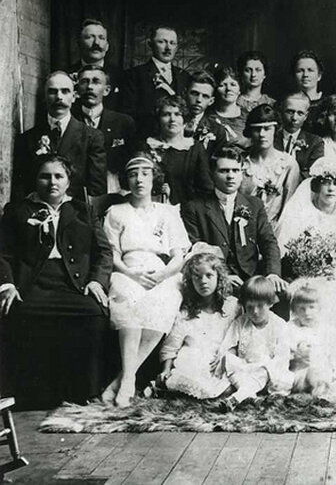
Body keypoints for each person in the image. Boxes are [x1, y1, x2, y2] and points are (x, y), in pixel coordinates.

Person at [0, 154, 112, 409]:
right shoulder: (18, 210)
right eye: (45, 176)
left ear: (68, 181)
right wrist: (7, 285)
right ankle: (30, 396)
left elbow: (103, 251)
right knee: (17, 314)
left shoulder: (83, 210)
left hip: (72, 283)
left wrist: (96, 281)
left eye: (58, 176)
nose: (52, 182)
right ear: (35, 180)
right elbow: (2, 252)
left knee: (94, 313)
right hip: (32, 285)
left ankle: (84, 393)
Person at [101, 153, 191, 407]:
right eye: (132, 174)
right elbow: (111, 254)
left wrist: (163, 274)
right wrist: (130, 273)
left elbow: (179, 255)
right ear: (125, 180)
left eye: (145, 174)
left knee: (166, 296)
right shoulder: (116, 212)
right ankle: (129, 380)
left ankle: (123, 379)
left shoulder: (168, 212)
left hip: (160, 271)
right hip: (126, 269)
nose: (139, 180)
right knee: (127, 296)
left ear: (154, 179)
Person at [276, 158, 336, 346]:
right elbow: (287, 250)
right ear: (316, 185)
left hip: (333, 275)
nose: (331, 188)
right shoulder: (301, 213)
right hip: (304, 274)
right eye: (326, 183)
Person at [181, 146, 288, 294]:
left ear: (242, 174)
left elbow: (268, 241)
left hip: (251, 278)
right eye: (224, 171)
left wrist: (273, 273)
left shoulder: (254, 204)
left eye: (235, 170)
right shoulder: (194, 207)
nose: (231, 176)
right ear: (212, 174)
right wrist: (222, 276)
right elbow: (195, 251)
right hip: (213, 281)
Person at [12, 71, 107, 201]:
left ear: (74, 96)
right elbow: (20, 186)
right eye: (52, 92)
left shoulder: (92, 137)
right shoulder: (27, 138)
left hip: (76, 215)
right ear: (44, 97)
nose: (59, 97)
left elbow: (97, 189)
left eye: (65, 91)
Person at [158, 252, 240, 399]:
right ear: (190, 281)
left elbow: (239, 337)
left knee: (230, 382)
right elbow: (171, 346)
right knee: (189, 376)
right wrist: (166, 369)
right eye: (197, 277)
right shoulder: (185, 312)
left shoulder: (233, 306)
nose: (203, 281)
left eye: (209, 275)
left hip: (220, 360)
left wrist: (227, 355)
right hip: (192, 360)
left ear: (219, 277)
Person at [211, 276, 293, 410]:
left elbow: (282, 357)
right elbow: (229, 345)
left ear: (271, 303)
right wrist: (229, 357)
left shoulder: (279, 325)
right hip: (244, 368)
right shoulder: (240, 322)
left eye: (260, 306)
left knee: (264, 371)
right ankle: (250, 396)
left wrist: (271, 369)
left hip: (265, 370)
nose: (255, 312)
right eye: (250, 307)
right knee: (230, 362)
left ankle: (237, 398)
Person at [72, 65, 138, 193]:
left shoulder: (123, 122)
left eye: (96, 82)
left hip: (115, 190)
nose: (90, 86)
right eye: (84, 82)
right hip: (77, 191)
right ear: (78, 89)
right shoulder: (69, 120)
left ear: (107, 90)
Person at [121, 26, 191, 139]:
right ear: (150, 44)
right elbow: (128, 114)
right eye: (162, 42)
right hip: (145, 138)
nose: (168, 48)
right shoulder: (134, 75)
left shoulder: (184, 76)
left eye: (172, 43)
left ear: (177, 47)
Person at [239, 104, 300, 224]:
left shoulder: (288, 164)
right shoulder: (241, 162)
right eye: (257, 129)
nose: (262, 134)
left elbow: (288, 207)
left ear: (275, 130)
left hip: (274, 230)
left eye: (267, 129)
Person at [146, 95, 213, 205]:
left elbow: (205, 187)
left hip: (187, 210)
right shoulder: (147, 146)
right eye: (166, 114)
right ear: (158, 119)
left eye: (177, 114)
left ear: (185, 120)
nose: (172, 119)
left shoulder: (194, 148)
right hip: (153, 207)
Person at [67, 19, 125, 110]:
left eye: (101, 38)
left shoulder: (122, 77)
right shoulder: (66, 76)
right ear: (79, 44)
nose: (96, 43)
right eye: (90, 37)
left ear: (107, 46)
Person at [275, 92, 324, 179]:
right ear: (281, 111)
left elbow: (314, 174)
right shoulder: (270, 138)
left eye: (300, 113)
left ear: (306, 116)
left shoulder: (315, 142)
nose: (294, 118)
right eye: (290, 112)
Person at [183, 71, 230, 158]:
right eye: (194, 93)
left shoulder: (218, 131)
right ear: (185, 93)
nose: (199, 100)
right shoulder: (172, 121)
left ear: (211, 101)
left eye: (205, 96)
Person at [206, 65, 251, 149]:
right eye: (222, 85)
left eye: (233, 84)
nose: (228, 89)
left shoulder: (248, 117)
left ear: (240, 89)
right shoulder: (207, 116)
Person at [291, 50, 327, 135]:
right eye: (300, 70)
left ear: (319, 76)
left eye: (310, 70)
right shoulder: (286, 103)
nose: (305, 75)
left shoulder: (328, 104)